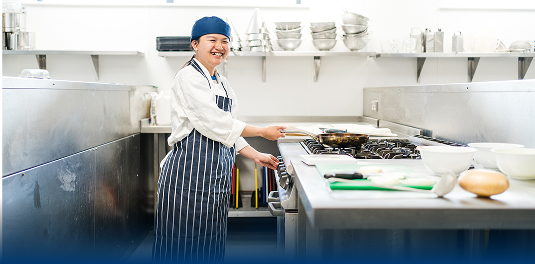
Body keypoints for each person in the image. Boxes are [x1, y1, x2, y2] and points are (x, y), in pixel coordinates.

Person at [152, 16, 285, 263]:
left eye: (224, 41)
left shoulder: (222, 83)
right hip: (187, 180)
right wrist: (262, 132)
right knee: (181, 245)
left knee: (210, 243)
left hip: (214, 181)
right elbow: (215, 123)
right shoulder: (188, 77)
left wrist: (257, 156)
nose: (219, 46)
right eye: (211, 40)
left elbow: (228, 131)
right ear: (195, 44)